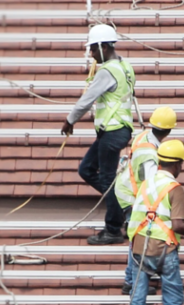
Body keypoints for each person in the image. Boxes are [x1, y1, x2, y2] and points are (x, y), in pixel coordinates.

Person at [60, 24, 135, 245]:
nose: (91, 54)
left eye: (93, 49)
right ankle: (124, 206)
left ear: (104, 46)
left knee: (107, 179)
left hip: (113, 131)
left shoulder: (107, 71)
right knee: (86, 169)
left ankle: (113, 229)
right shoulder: (125, 66)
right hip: (114, 130)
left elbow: (87, 99)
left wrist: (69, 120)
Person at [127, 139, 184, 305]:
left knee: (137, 298)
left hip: (139, 248)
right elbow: (177, 225)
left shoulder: (146, 184)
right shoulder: (174, 188)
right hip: (164, 249)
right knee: (173, 300)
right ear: (177, 165)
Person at [116, 106, 178, 295]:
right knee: (137, 235)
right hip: (132, 195)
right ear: (169, 130)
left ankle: (131, 279)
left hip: (128, 189)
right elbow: (152, 184)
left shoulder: (144, 136)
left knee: (137, 234)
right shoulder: (149, 155)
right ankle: (131, 281)